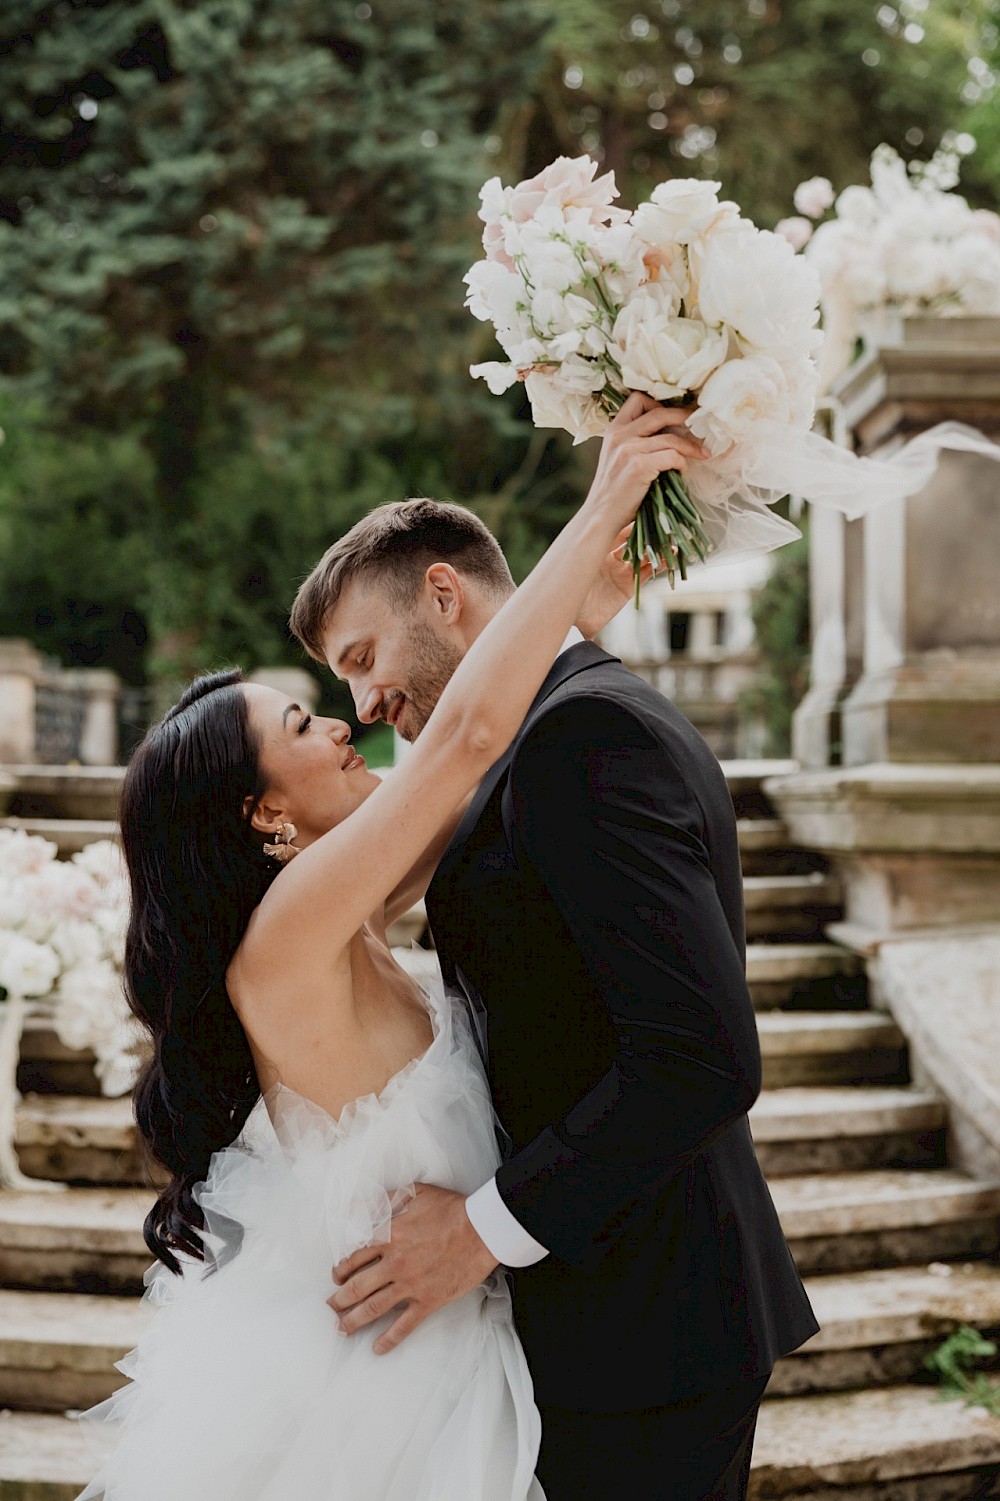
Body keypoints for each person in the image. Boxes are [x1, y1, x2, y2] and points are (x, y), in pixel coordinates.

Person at [76, 395, 698, 1501]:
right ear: (264, 814)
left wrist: (588, 599)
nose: (345, 720)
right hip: (397, 1368)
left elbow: (483, 765)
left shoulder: (342, 903)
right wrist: (598, 493)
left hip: (463, 1317)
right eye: (303, 727)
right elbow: (463, 740)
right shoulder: (290, 928)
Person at [289, 418, 819, 1501]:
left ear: (445, 594)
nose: (365, 706)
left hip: (650, 1327)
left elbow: (701, 1058)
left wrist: (479, 1232)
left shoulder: (585, 740)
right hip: (601, 1315)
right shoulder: (537, 735)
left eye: (361, 659)